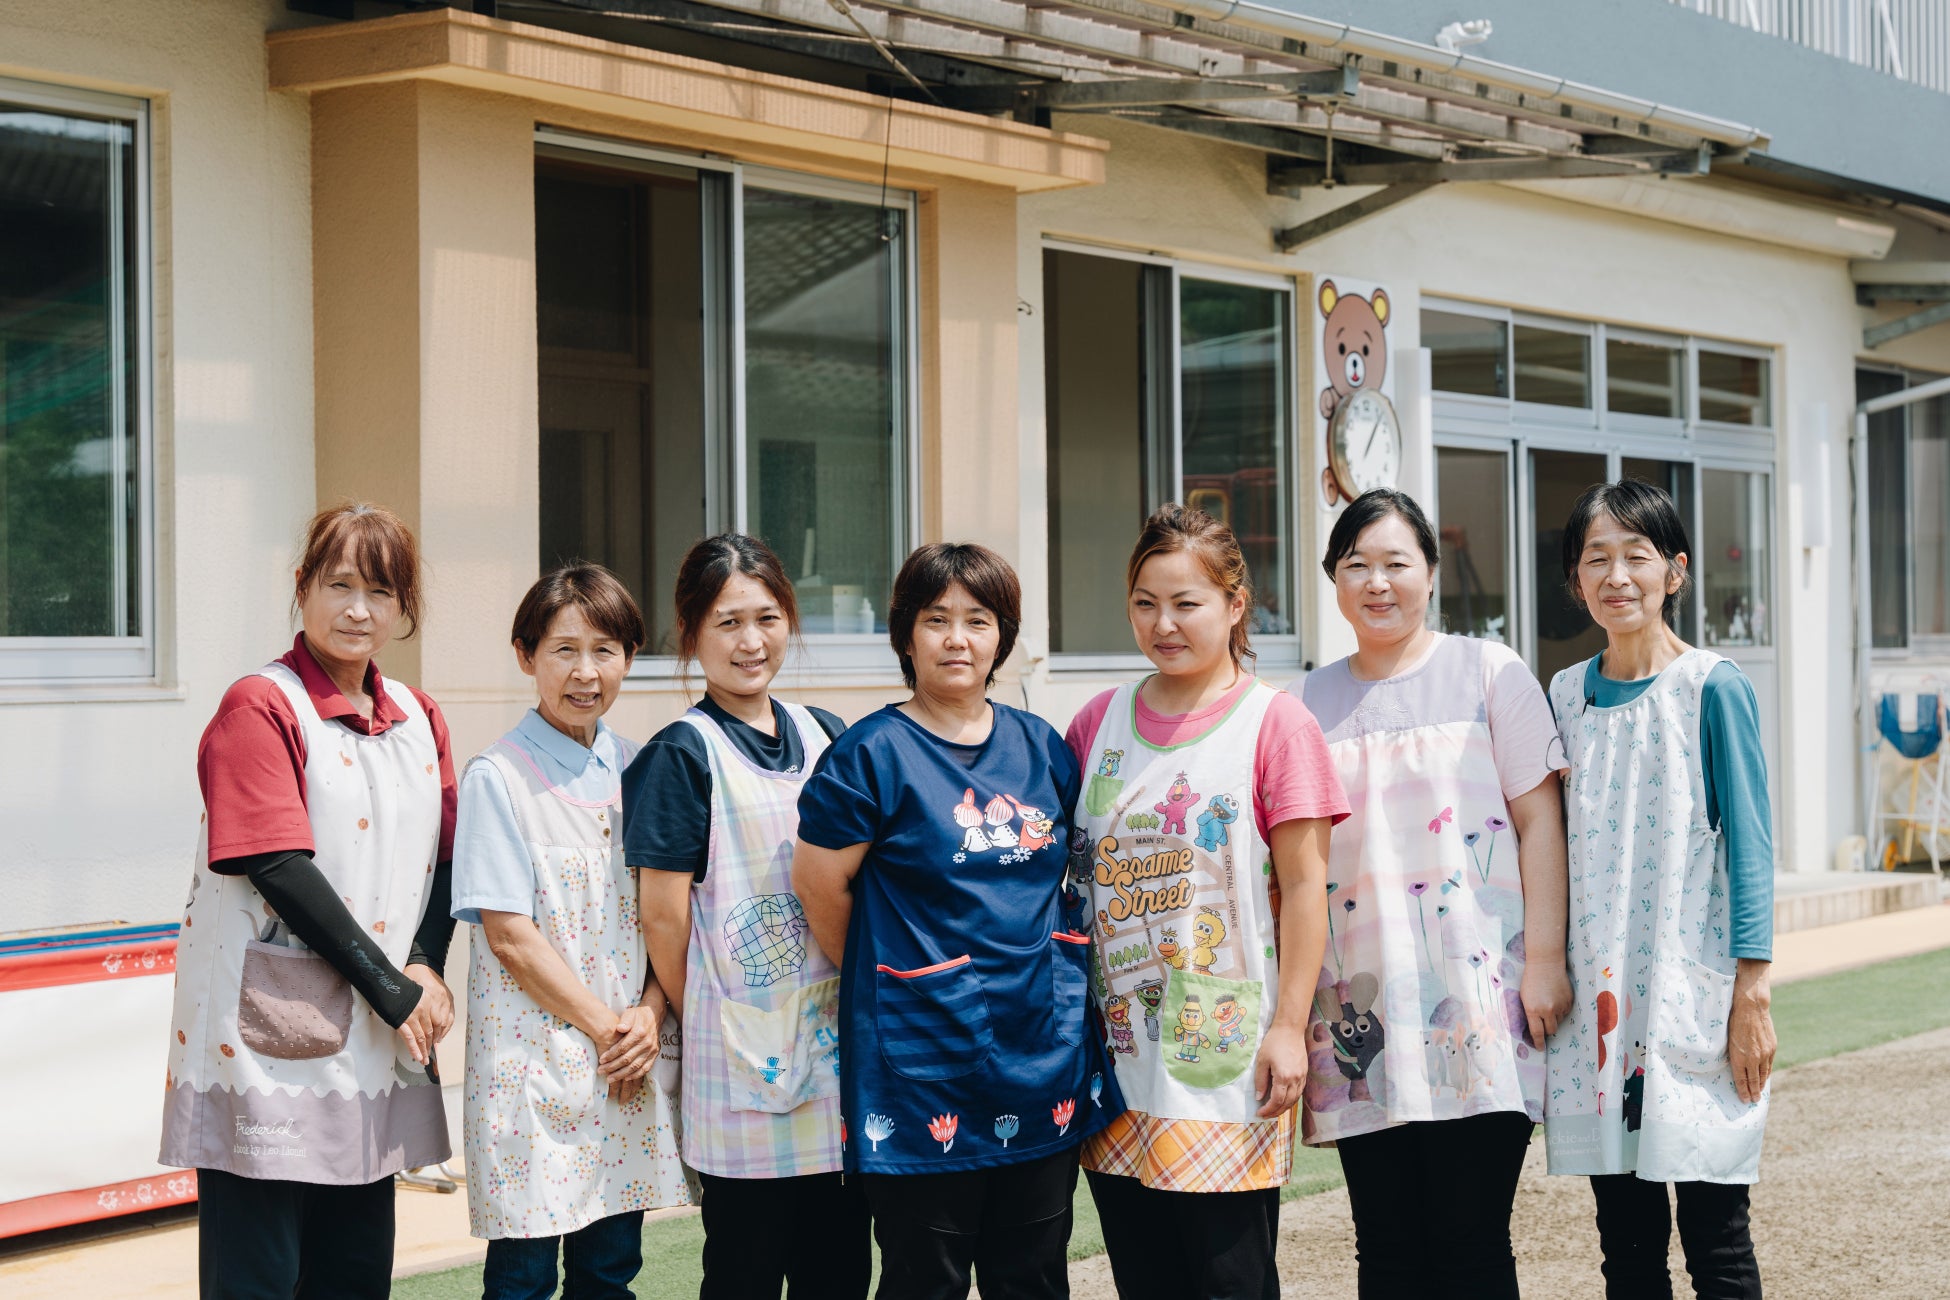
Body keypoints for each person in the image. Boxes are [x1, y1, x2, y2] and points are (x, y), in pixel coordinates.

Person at [792, 542, 1122, 1300]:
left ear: (1002, 637)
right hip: (921, 1068)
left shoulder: (1041, 747)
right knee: (924, 1280)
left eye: (978, 620)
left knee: (1033, 1277)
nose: (957, 639)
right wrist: (904, 982)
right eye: (936, 619)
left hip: (1040, 1053)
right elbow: (820, 889)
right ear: (905, 634)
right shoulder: (869, 756)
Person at [162, 502, 458, 1300]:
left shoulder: (419, 716)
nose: (359, 610)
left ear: (403, 607)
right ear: (302, 588)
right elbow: (275, 862)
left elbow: (446, 856)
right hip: (262, 1044)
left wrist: (425, 964)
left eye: (381, 592)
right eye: (340, 585)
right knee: (260, 1277)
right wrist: (393, 989)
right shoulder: (259, 704)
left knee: (354, 1270)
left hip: (374, 1035)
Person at [1299, 488, 1573, 1299]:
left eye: (1396, 563)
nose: (1377, 583)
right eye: (1357, 565)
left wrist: (1545, 961)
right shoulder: (1303, 704)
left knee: (1470, 1242)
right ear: (1334, 578)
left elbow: (1540, 822)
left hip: (1477, 1002)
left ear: (1430, 572)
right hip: (1359, 1018)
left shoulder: (1490, 671)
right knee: (1385, 1248)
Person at [1068, 504, 1344, 1300]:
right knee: (1144, 1280)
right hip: (1117, 1057)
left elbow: (1306, 889)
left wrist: (1289, 1028)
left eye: (1186, 603)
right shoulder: (1098, 722)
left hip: (1225, 1056)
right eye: (1145, 603)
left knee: (1231, 1282)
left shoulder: (1276, 724)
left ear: (1234, 604)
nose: (1164, 624)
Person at [1544, 479, 1774, 1299]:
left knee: (1718, 1240)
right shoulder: (1563, 695)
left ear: (1674, 571)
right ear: (1576, 581)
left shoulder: (1713, 686)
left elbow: (1751, 846)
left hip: (1692, 1000)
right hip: (1601, 1012)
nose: (1617, 577)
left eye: (1636, 556)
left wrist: (1752, 994)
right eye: (1596, 559)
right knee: (1628, 1247)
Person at [625, 535, 868, 1300]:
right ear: (691, 633)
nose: (751, 641)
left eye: (767, 618)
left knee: (839, 1268)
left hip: (834, 1055)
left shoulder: (827, 733)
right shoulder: (682, 754)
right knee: (745, 1270)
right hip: (739, 1066)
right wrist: (714, 1018)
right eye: (727, 623)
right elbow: (663, 921)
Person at [451, 564, 694, 1298]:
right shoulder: (499, 776)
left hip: (626, 1062)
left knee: (610, 1270)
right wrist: (610, 1029)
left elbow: (667, 913)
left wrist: (650, 1011)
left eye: (605, 650)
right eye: (563, 650)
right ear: (525, 655)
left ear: (630, 658)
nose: (585, 672)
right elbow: (510, 936)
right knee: (523, 1277)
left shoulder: (644, 768)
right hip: (534, 1063)